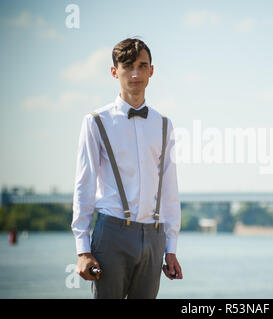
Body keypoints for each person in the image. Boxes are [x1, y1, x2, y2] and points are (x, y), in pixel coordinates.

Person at [71, 38, 183, 299]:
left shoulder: (164, 124)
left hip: (154, 236)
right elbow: (83, 185)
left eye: (142, 66)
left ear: (151, 71)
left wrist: (171, 247)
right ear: (114, 71)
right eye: (128, 66)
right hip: (112, 233)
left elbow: (170, 189)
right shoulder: (96, 122)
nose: (136, 73)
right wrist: (83, 249)